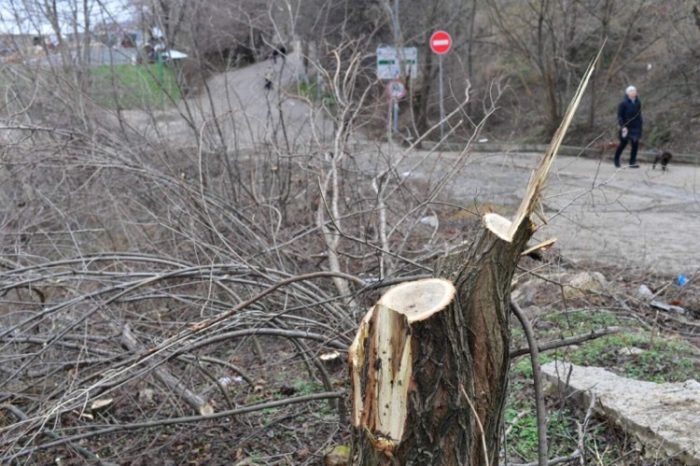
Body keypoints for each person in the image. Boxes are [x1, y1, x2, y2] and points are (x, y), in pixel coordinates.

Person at [614, 85, 643, 168]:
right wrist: (623, 126)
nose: (633, 92)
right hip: (626, 127)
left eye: (634, 91)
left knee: (635, 144)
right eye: (631, 91)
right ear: (627, 93)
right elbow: (619, 116)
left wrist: (640, 127)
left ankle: (632, 162)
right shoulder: (623, 103)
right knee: (623, 144)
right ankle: (616, 159)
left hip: (636, 127)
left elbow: (639, 115)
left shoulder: (638, 102)